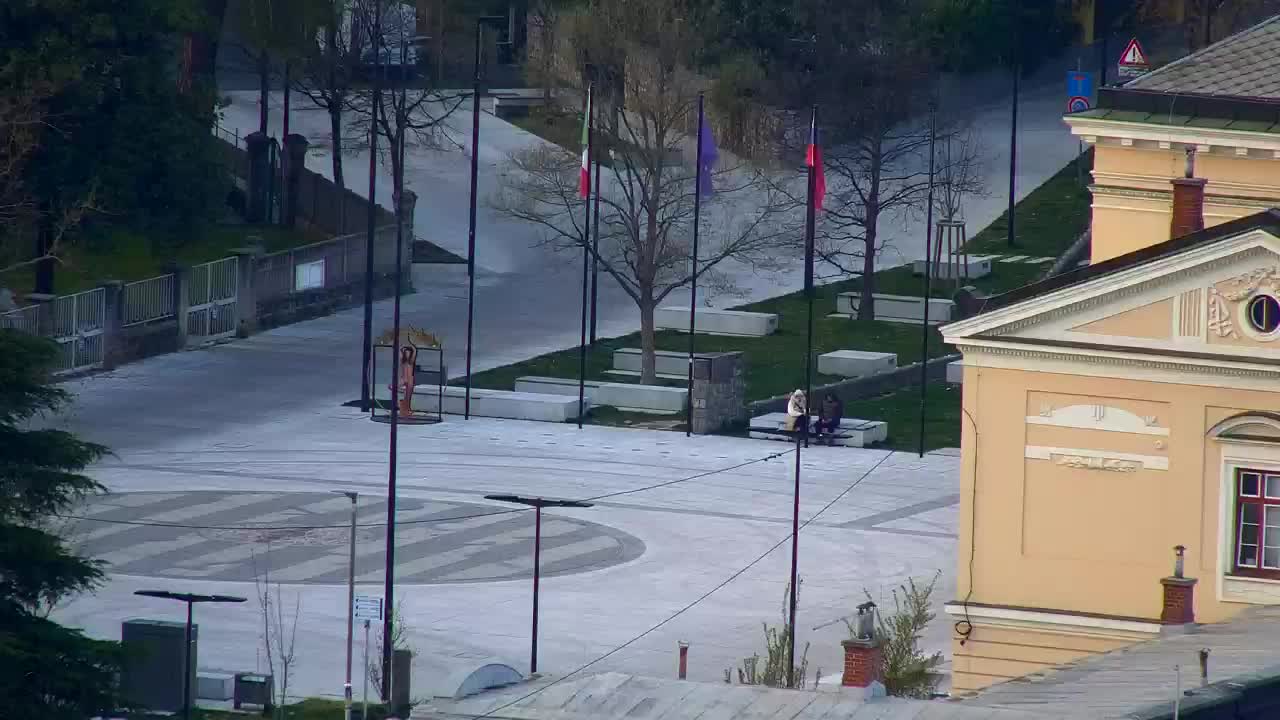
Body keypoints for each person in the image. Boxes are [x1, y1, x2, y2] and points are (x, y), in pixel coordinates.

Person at [395, 345, 417, 417]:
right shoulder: (403, 361)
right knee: (398, 389)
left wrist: (411, 346)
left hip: (410, 379)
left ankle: (406, 410)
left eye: (408, 353)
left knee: (408, 396)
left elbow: (414, 351)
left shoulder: (411, 361)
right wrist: (402, 348)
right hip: (404, 378)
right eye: (406, 353)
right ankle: (403, 409)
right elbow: (400, 351)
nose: (407, 354)